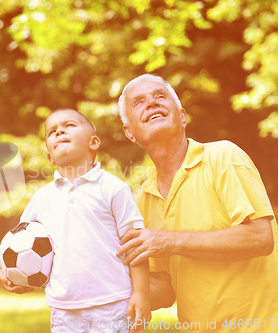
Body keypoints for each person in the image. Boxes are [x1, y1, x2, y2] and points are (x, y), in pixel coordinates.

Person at [115, 74, 278, 333]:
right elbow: (164, 288)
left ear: (182, 116)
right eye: (139, 102)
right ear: (129, 133)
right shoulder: (142, 200)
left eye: (160, 96)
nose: (152, 103)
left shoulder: (222, 156)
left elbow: (260, 237)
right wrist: (71, 280)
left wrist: (168, 241)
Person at [0, 108, 151, 332]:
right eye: (52, 131)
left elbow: (136, 244)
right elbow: (19, 239)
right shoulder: (42, 198)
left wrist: (142, 294)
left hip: (113, 303)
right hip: (64, 309)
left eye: (69, 126)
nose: (59, 132)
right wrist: (0, 267)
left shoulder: (114, 189)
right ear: (50, 156)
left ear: (93, 142)